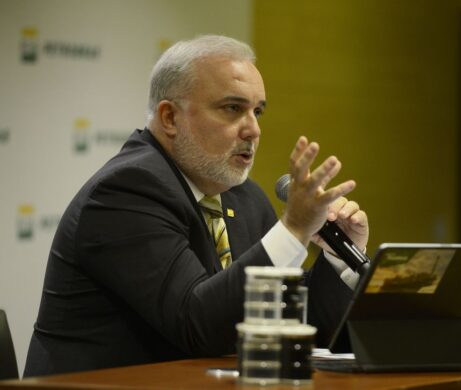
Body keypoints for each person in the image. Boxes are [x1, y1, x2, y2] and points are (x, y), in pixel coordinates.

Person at [24, 35, 369, 376]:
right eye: (233, 108)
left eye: (258, 111)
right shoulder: (126, 191)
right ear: (170, 118)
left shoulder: (244, 198)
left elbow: (291, 324)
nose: (253, 130)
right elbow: (198, 326)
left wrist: (337, 259)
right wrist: (294, 229)